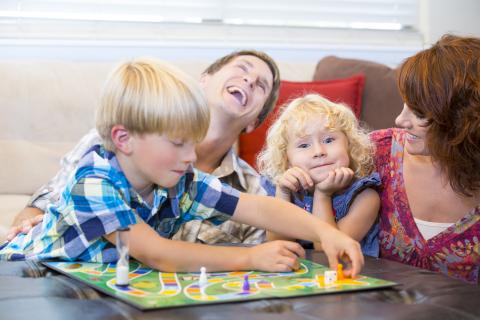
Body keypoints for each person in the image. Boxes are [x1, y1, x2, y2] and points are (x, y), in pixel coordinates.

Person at [0, 58, 363, 275]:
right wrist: (251, 258)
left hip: (99, 284)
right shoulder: (94, 182)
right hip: (29, 275)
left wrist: (328, 233)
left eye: (192, 142)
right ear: (124, 139)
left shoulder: (180, 178)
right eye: (178, 143)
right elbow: (155, 252)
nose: (190, 156)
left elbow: (256, 206)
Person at [7, 50, 282, 245]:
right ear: (204, 79)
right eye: (242, 68)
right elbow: (40, 209)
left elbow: (266, 262)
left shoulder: (254, 189)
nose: (249, 80)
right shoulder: (110, 147)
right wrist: (28, 228)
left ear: (254, 122)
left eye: (261, 85)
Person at [371, 34, 480, 283]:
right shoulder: (377, 153)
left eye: (419, 113)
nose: (400, 120)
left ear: (464, 121)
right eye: (405, 104)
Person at [257, 94, 380, 257]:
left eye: (329, 140)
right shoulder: (283, 190)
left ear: (350, 146)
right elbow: (279, 246)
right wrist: (283, 194)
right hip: (299, 279)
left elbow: (326, 252)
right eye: (304, 145)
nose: (319, 152)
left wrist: (323, 195)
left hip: (350, 277)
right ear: (287, 159)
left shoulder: (365, 197)